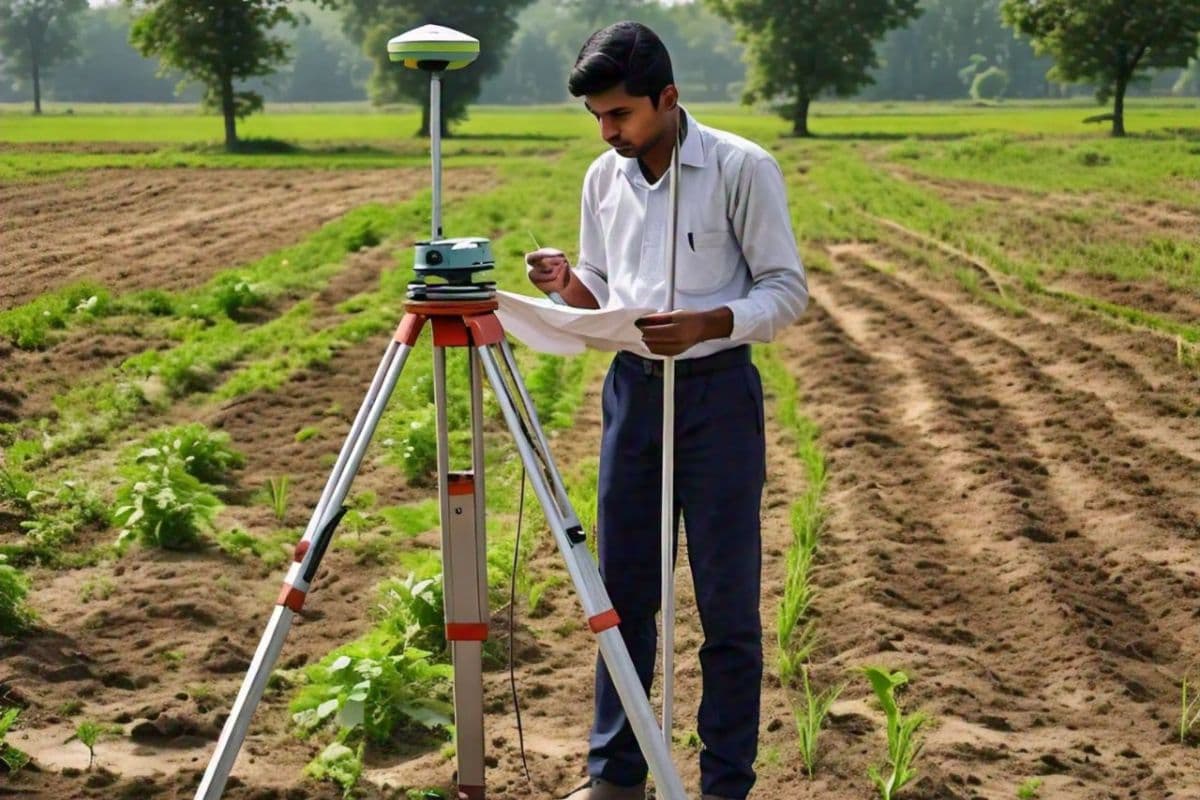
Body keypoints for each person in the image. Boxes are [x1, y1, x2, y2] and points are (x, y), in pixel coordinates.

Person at [525, 21, 808, 800]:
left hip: (717, 398)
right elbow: (603, 290)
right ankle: (615, 776)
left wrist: (708, 323)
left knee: (727, 603)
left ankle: (725, 784)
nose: (608, 131)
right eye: (597, 118)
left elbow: (787, 292)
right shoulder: (601, 179)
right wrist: (565, 287)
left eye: (620, 114)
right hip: (633, 395)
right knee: (622, 593)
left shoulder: (741, 168)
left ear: (669, 97)